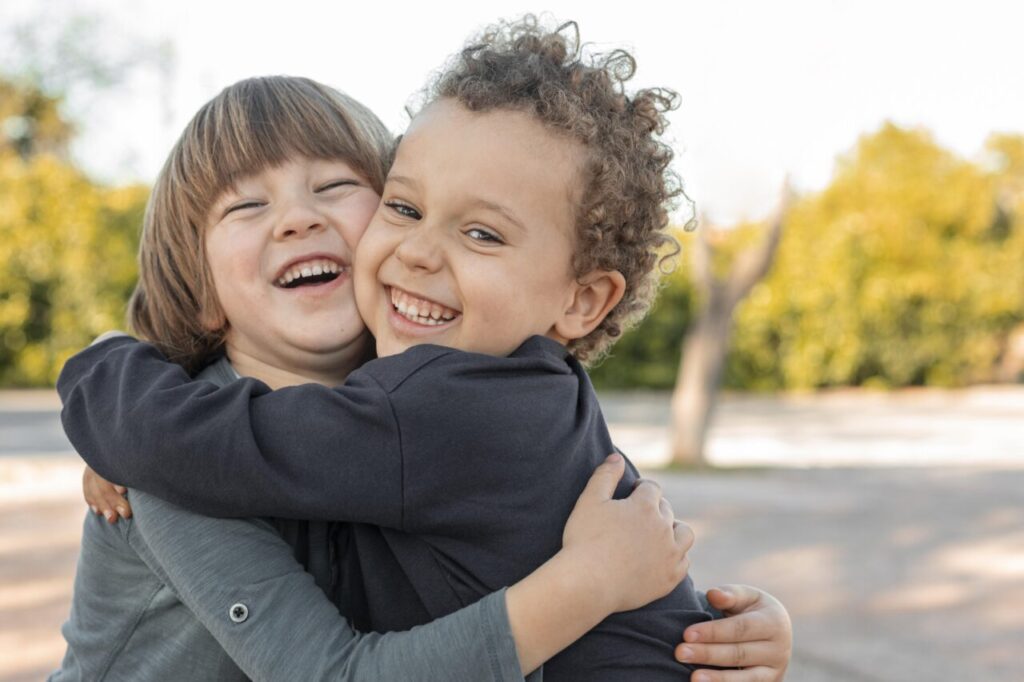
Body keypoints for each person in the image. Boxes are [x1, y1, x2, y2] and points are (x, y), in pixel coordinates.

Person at [58, 18, 792, 682]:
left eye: (339, 186)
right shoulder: (179, 466)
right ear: (201, 285)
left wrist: (107, 379)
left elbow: (622, 557)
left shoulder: (428, 407)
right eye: (407, 210)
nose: (296, 220)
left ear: (580, 299)